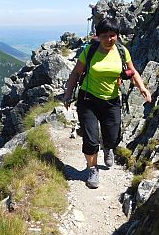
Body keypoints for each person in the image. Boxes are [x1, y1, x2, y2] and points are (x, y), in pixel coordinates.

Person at [63, 17, 151, 188]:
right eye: (104, 35)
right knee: (91, 139)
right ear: (98, 36)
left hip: (111, 100)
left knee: (112, 135)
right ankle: (92, 168)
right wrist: (68, 94)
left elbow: (132, 72)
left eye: (112, 35)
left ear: (117, 36)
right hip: (88, 99)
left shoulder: (122, 51)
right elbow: (75, 73)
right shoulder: (89, 50)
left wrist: (142, 88)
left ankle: (108, 148)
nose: (109, 39)